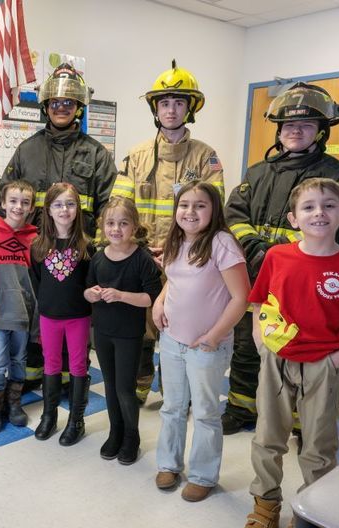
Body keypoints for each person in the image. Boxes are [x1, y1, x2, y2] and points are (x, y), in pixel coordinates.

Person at [241, 178, 339, 528]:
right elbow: (260, 300)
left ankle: (312, 510)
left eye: (328, 205)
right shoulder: (278, 256)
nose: (318, 213)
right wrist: (261, 338)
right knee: (267, 438)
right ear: (294, 218)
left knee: (318, 445)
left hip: (323, 366)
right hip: (276, 363)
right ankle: (265, 504)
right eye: (308, 207)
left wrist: (335, 362)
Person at [223, 82, 339, 435]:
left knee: (302, 348)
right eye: (287, 126)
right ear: (279, 131)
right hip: (258, 275)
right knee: (247, 344)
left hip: (305, 283)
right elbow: (234, 215)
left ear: (321, 130)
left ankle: (299, 420)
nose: (294, 132)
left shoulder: (338, 175)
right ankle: (241, 407)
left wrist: (282, 255)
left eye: (305, 125)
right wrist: (254, 247)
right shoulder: (257, 172)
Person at [111, 59, 225, 404]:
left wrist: (181, 250)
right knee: (143, 325)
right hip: (141, 256)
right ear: (155, 109)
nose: (171, 110)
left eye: (178, 103)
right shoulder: (136, 156)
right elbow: (120, 206)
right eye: (164, 103)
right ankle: (142, 383)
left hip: (188, 259)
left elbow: (212, 211)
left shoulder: (206, 157)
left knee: (183, 327)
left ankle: (179, 392)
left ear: (190, 109)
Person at [0, 62, 117, 388]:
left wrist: (101, 250)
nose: (61, 108)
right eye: (55, 103)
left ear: (78, 107)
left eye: (68, 103)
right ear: (45, 107)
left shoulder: (96, 154)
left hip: (80, 253)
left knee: (76, 312)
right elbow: (5, 199)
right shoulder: (27, 150)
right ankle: (37, 374)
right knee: (38, 311)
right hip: (36, 252)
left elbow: (110, 206)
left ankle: (71, 378)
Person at [152, 181, 249, 502]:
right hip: (172, 340)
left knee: (206, 412)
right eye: (184, 205)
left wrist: (215, 335)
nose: (190, 212)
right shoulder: (177, 240)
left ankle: (203, 475)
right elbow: (175, 280)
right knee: (172, 407)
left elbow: (241, 297)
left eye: (200, 205)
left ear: (214, 209)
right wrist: (159, 301)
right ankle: (169, 463)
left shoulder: (222, 243)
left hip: (207, 345)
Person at [84, 197, 162, 465]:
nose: (116, 229)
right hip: (103, 333)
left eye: (123, 223)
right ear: (103, 226)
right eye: (110, 223)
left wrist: (120, 295)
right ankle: (115, 431)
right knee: (109, 385)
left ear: (134, 227)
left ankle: (132, 436)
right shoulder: (97, 258)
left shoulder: (142, 259)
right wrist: (92, 294)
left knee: (125, 389)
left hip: (129, 334)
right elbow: (86, 290)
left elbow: (151, 298)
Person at [31, 183, 96, 446]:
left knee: (79, 366)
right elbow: (37, 283)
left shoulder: (87, 247)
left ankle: (76, 421)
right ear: (48, 209)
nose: (64, 209)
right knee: (51, 364)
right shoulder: (37, 246)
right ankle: (49, 416)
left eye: (70, 204)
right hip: (49, 317)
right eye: (58, 204)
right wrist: (50, 304)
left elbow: (90, 284)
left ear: (77, 209)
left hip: (79, 317)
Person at [0, 180, 38, 433]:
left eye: (24, 202)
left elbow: (38, 279)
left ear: (32, 207)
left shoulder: (34, 238)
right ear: (2, 203)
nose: (18, 207)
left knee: (19, 359)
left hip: (24, 313)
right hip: (1, 314)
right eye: (13, 201)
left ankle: (14, 402)